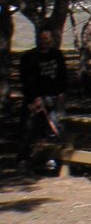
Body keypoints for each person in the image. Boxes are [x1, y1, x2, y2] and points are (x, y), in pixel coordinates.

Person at [18, 27, 69, 170]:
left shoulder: (57, 55)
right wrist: (34, 98)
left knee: (55, 129)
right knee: (28, 130)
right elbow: (25, 80)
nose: (43, 41)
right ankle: (23, 159)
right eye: (41, 38)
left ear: (51, 39)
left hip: (54, 98)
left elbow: (63, 76)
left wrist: (62, 93)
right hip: (34, 100)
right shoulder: (29, 57)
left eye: (46, 38)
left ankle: (52, 158)